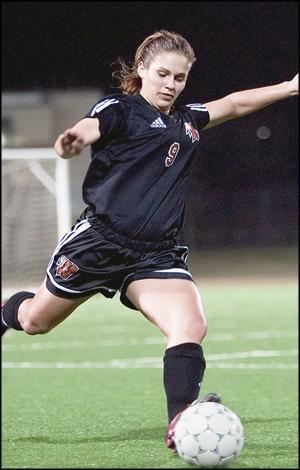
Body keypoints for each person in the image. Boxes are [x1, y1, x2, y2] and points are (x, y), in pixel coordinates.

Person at [1, 30, 298, 452]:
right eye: (162, 74)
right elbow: (91, 126)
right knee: (35, 322)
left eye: (179, 77)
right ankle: (6, 310)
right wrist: (73, 141)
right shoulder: (121, 108)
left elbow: (232, 104)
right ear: (141, 69)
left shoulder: (187, 119)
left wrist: (289, 87)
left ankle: (181, 425)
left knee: (189, 326)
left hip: (156, 254)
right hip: (99, 244)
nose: (170, 85)